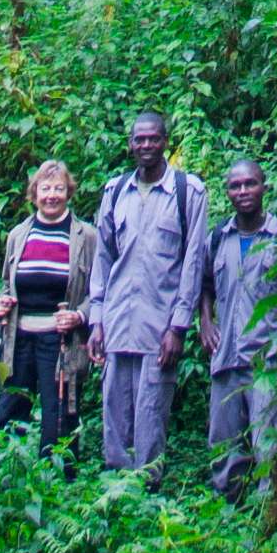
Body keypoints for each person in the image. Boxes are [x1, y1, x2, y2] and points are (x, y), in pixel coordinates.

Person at [86, 112, 212, 475]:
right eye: (139, 139)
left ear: (165, 142)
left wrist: (178, 327)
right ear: (130, 144)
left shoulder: (188, 192)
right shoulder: (115, 192)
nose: (146, 146)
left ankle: (147, 488)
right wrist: (97, 320)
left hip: (158, 329)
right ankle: (115, 492)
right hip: (116, 324)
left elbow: (192, 263)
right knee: (114, 410)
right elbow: (104, 259)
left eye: (153, 139)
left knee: (151, 412)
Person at [197, 159, 277, 498]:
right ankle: (227, 520)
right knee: (224, 449)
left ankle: (268, 517)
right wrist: (206, 321)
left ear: (264, 186)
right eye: (235, 186)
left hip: (267, 361)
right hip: (226, 359)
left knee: (268, 446)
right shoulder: (219, 237)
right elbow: (204, 284)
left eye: (250, 184)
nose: (243, 191)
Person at [0, 161, 88, 454]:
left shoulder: (85, 236)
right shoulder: (18, 235)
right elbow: (8, 283)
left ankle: (58, 481)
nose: (51, 195)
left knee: (58, 415)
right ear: (34, 194)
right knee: (9, 407)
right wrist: (2, 302)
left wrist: (79, 315)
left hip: (60, 341)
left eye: (58, 188)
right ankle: (4, 474)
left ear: (69, 192)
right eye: (45, 188)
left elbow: (98, 292)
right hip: (18, 338)